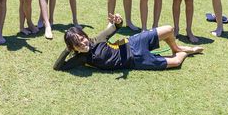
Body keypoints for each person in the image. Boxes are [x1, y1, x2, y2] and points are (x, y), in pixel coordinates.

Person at [53, 14, 204, 71]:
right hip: (135, 60)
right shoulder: (81, 58)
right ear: (73, 48)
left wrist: (118, 21)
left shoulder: (97, 39)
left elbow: (116, 27)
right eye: (77, 44)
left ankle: (176, 48)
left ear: (85, 35)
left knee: (169, 29)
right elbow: (58, 67)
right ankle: (185, 52)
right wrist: (67, 50)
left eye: (82, 38)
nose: (83, 44)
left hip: (133, 43)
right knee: (176, 62)